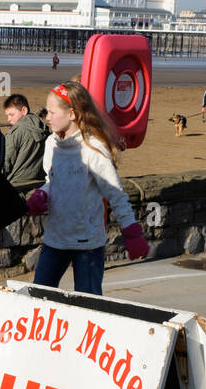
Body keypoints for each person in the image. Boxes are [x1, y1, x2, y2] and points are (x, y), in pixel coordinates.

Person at [25, 82, 149, 296]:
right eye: (47, 112)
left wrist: (131, 231)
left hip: (87, 245)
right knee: (38, 298)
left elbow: (115, 194)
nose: (47, 117)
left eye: (52, 112)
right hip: (55, 238)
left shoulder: (93, 149)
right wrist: (43, 192)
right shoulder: (51, 145)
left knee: (89, 304)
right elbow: (52, 179)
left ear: (71, 114)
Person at [2, 93, 49, 192]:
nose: (8, 119)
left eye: (11, 114)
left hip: (18, 185)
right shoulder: (44, 129)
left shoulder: (15, 133)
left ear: (24, 110)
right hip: (41, 183)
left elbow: (7, 161)